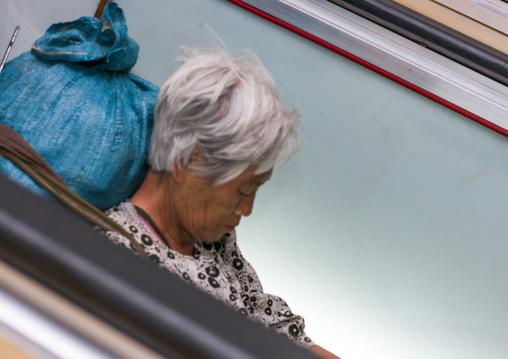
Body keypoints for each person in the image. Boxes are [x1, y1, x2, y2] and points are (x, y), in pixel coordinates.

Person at [102, 47, 340, 359]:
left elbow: (263, 318)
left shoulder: (209, 236)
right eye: (243, 190)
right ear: (186, 162)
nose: (247, 209)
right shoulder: (122, 257)